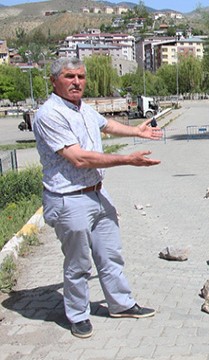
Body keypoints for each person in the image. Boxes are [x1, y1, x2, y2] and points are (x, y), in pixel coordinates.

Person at [32, 57, 162, 339]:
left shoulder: (83, 109)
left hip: (97, 193)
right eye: (69, 76)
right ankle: (78, 315)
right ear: (54, 81)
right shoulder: (49, 114)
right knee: (78, 263)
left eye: (80, 76)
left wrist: (136, 130)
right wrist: (127, 159)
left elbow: (107, 125)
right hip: (69, 199)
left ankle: (121, 303)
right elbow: (78, 158)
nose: (76, 82)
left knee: (110, 254)